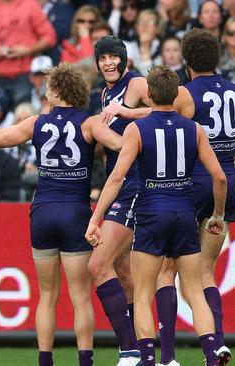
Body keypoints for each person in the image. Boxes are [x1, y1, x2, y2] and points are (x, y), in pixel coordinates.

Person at [0, 63, 122, 366]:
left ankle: (45, 360)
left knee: (47, 294)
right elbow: (122, 144)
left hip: (43, 210)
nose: (44, 89)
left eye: (49, 85)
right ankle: (85, 361)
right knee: (80, 297)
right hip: (75, 211)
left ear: (58, 90)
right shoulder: (89, 124)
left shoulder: (36, 122)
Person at [85, 64, 227, 366]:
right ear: (176, 93)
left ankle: (148, 359)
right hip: (185, 213)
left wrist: (96, 218)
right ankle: (212, 357)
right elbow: (219, 177)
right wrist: (217, 214)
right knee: (195, 291)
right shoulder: (195, 129)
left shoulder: (137, 129)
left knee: (145, 293)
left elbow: (116, 178)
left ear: (149, 94)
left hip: (151, 213)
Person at [155, 28, 235, 366]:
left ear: (186, 61)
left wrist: (128, 113)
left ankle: (169, 356)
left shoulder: (187, 94)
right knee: (204, 272)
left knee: (167, 269)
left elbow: (161, 117)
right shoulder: (233, 91)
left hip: (198, 181)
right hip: (228, 182)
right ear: (216, 58)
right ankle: (216, 346)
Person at [86, 35, 152, 366]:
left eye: (114, 57)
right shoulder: (104, 93)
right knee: (123, 273)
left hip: (135, 184)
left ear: (124, 60)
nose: (108, 63)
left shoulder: (136, 84)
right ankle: (143, 350)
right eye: (103, 58)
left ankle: (129, 351)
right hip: (118, 182)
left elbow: (169, 109)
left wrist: (126, 110)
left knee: (97, 265)